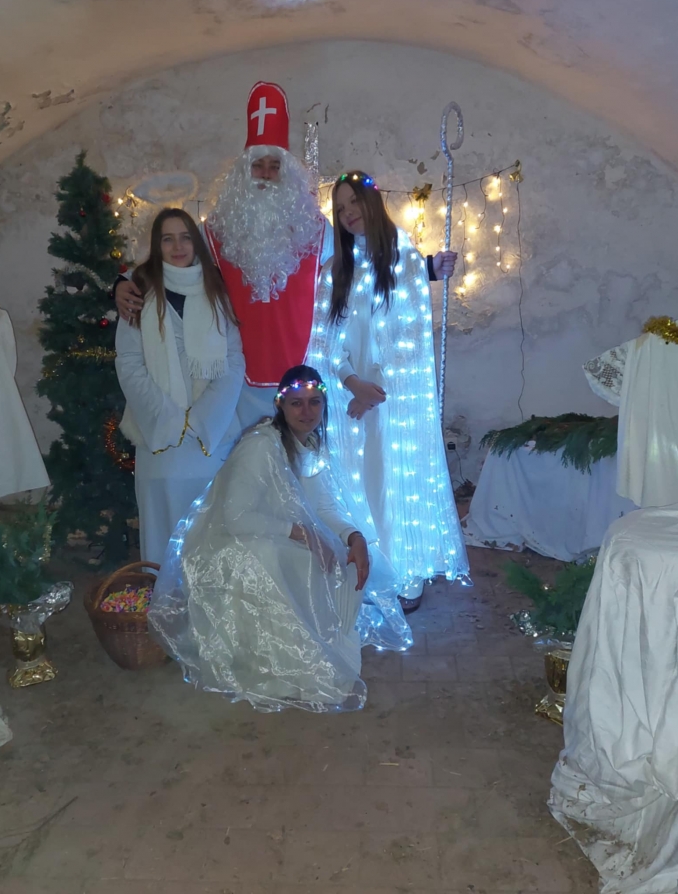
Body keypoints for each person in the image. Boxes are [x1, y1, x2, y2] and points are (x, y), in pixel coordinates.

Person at [148, 365, 413, 713]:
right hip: (231, 548)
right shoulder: (261, 446)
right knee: (289, 559)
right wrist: (303, 534)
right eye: (296, 403)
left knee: (344, 559)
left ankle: (317, 640)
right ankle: (280, 664)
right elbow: (236, 518)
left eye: (314, 402)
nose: (306, 412)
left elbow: (324, 506)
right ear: (280, 405)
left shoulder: (311, 445)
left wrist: (354, 537)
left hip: (275, 534)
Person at [116, 81, 331, 430]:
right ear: (243, 172)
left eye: (274, 166)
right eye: (257, 165)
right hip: (231, 379)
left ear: (287, 173)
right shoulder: (216, 230)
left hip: (303, 379)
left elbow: (356, 277)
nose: (265, 175)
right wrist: (121, 283)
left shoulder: (317, 230)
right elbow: (170, 262)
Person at [307, 171, 469, 613]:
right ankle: (364, 569)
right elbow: (325, 339)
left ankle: (403, 570)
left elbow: (409, 336)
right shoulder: (335, 271)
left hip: (394, 402)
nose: (349, 213)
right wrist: (351, 383)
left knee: (393, 485)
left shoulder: (404, 259)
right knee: (357, 484)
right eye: (340, 208)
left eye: (354, 202)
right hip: (349, 403)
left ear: (372, 202)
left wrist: (375, 391)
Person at [115, 208, 244, 565]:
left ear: (196, 242)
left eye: (185, 237)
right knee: (164, 540)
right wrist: (169, 420)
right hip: (159, 438)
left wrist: (202, 420)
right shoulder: (139, 293)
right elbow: (129, 362)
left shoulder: (216, 290)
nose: (178, 247)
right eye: (167, 239)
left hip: (211, 438)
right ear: (157, 246)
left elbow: (234, 360)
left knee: (212, 536)